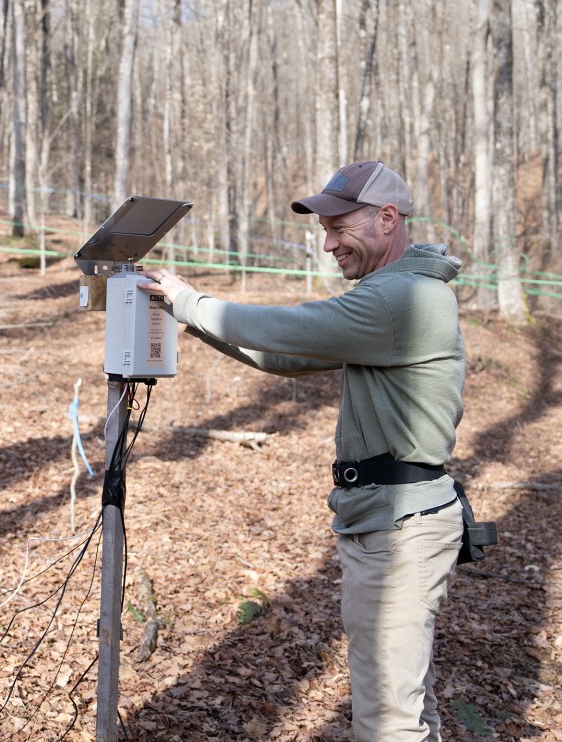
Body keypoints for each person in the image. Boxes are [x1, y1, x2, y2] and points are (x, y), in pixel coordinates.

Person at [140, 161, 466, 742]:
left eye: (339, 227)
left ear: (387, 218)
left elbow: (289, 330)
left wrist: (190, 301)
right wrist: (184, 315)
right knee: (404, 703)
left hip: (401, 528)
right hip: (388, 518)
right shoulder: (391, 297)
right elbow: (285, 356)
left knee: (389, 719)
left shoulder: (402, 300)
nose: (328, 245)